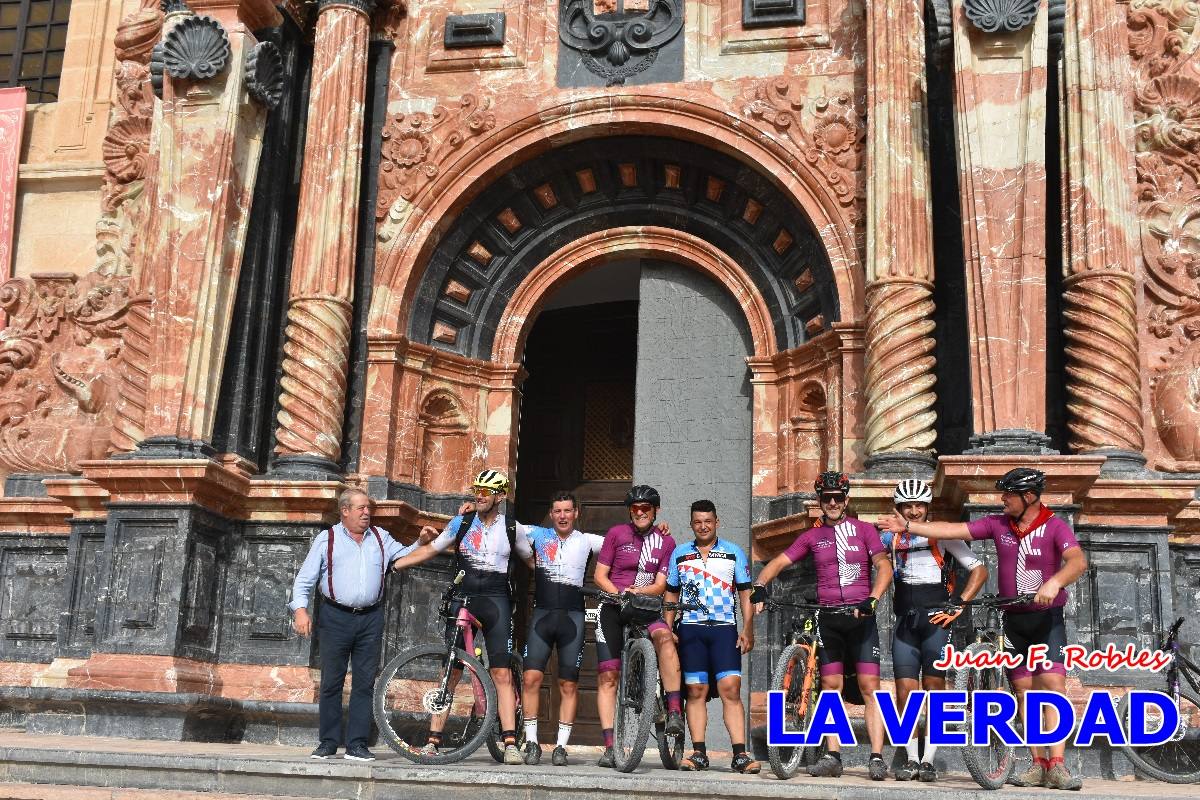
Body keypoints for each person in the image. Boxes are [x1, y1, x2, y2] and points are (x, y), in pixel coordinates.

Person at [877, 467, 1088, 791]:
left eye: (1008, 494)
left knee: (1052, 688)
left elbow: (1077, 562)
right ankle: (1037, 763)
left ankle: (1057, 765)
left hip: (1046, 618)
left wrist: (1055, 582)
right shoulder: (998, 524)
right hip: (1013, 617)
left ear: (1028, 497)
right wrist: (907, 526)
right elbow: (953, 528)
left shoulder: (1054, 526)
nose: (1002, 499)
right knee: (1024, 694)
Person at [751, 471, 894, 781]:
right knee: (831, 689)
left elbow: (884, 566)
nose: (832, 502)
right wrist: (760, 586)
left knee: (871, 688)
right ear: (819, 501)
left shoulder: (864, 531)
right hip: (829, 620)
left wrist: (873, 598)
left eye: (838, 497)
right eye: (826, 498)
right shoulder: (812, 536)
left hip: (861, 620)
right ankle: (833, 755)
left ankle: (877, 757)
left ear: (847, 499)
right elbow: (777, 563)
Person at [389, 468, 533, 765]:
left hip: (497, 600)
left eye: (485, 491)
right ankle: (433, 742)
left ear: (499, 496)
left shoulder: (511, 528)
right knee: (450, 671)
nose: (479, 496)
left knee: (501, 673)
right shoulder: (461, 522)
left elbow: (532, 560)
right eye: (476, 490)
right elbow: (432, 548)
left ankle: (509, 743)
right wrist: (398, 564)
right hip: (463, 598)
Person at [289, 488, 431, 761]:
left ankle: (357, 744)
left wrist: (420, 541)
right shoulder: (327, 539)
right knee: (332, 681)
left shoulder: (380, 537)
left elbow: (400, 557)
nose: (367, 513)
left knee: (365, 682)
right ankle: (328, 742)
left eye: (368, 508)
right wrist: (300, 610)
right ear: (345, 510)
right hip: (335, 617)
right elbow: (305, 578)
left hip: (370, 618)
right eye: (361, 508)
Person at [879, 478, 987, 782]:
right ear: (898, 508)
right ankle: (911, 758)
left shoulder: (942, 536)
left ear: (928, 507)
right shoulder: (890, 538)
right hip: (905, 622)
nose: (913, 511)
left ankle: (929, 759)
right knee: (904, 693)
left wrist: (960, 603)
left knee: (935, 690)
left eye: (919, 505)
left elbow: (979, 570)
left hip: (936, 622)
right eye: (907, 506)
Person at [664, 499, 758, 774]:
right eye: (697, 522)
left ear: (717, 522)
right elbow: (671, 592)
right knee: (695, 691)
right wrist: (669, 628)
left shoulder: (733, 553)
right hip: (691, 629)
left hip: (723, 629)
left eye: (708, 521)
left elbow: (744, 593)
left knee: (731, 689)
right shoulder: (680, 553)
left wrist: (748, 628)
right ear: (691, 524)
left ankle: (740, 754)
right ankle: (699, 753)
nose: (703, 526)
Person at [593, 484, 683, 768]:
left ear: (655, 511)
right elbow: (599, 575)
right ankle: (609, 746)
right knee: (608, 676)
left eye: (646, 508)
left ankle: (674, 711)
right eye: (636, 509)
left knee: (666, 639)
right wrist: (620, 594)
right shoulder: (616, 534)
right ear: (630, 512)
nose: (641, 513)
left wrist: (637, 593)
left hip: (645, 607)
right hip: (613, 606)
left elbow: (659, 585)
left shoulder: (666, 542)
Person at [518, 491, 605, 767]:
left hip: (573, 619)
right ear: (551, 513)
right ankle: (531, 742)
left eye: (568, 511)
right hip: (542, 617)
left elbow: (625, 542)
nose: (563, 516)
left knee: (568, 683)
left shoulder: (588, 541)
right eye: (557, 511)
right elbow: (502, 525)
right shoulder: (538, 535)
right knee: (531, 679)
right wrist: (471, 510)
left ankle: (560, 746)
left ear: (576, 513)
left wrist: (659, 530)